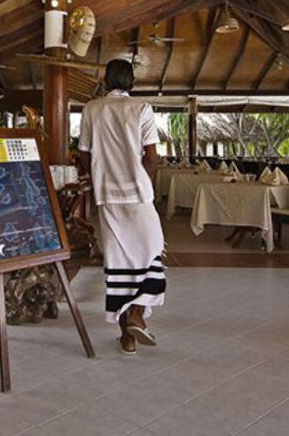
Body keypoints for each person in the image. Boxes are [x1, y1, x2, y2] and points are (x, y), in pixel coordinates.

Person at [78, 59, 165, 356]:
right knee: (152, 252)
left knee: (118, 264)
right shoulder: (142, 108)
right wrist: (146, 186)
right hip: (138, 194)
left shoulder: (92, 108)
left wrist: (98, 177)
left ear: (105, 81)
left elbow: (84, 153)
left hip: (107, 195)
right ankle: (137, 315)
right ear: (132, 82)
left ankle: (128, 336)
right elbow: (151, 158)